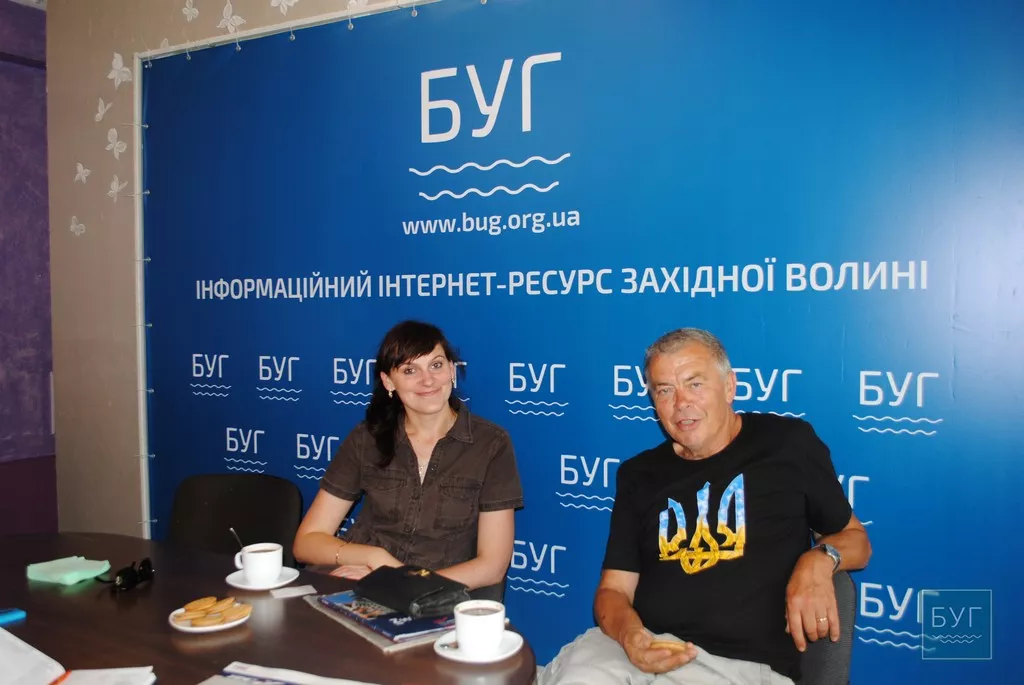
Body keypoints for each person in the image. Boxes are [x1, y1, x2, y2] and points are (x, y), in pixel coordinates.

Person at [538, 328, 871, 685]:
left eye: (694, 384)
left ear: (729, 386)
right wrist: (630, 635)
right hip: (637, 649)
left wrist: (819, 559)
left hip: (737, 668)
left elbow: (857, 541)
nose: (681, 403)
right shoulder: (638, 474)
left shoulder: (788, 445)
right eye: (664, 390)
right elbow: (613, 591)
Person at [292, 320, 524, 600]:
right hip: (360, 584)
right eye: (410, 370)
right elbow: (306, 543)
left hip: (437, 595)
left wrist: (398, 581)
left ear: (452, 370)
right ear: (389, 382)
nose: (428, 380)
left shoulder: (491, 444)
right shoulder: (367, 438)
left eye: (436, 365)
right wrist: (374, 557)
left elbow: (492, 567)